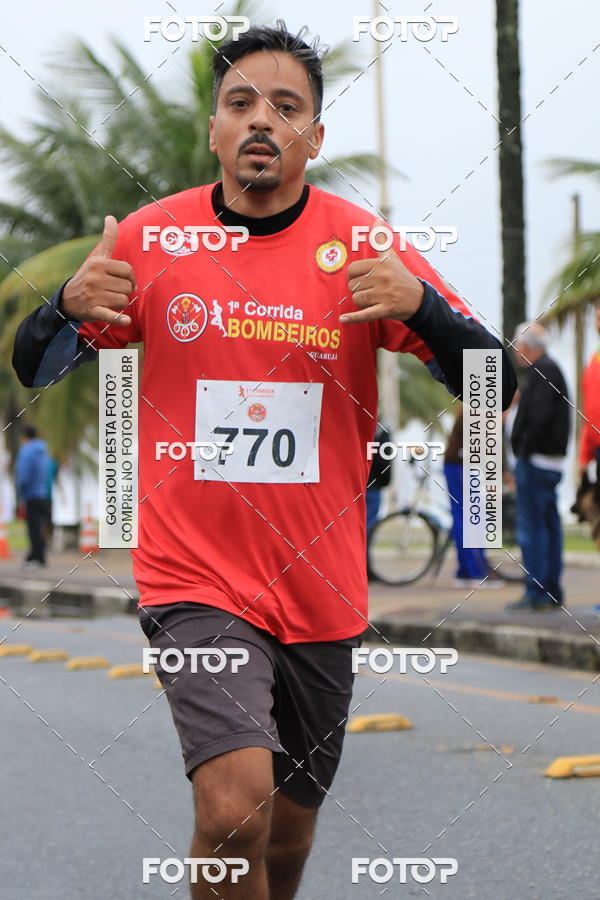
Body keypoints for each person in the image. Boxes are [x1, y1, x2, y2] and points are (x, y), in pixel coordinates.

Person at [12, 23, 517, 899]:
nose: (260, 120)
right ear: (213, 128)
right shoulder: (153, 240)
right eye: (240, 102)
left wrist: (424, 309)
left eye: (286, 107)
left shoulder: (362, 247)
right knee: (233, 811)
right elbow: (34, 365)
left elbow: (493, 384)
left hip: (320, 589)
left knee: (285, 838)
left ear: (314, 138)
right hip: (194, 579)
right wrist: (62, 304)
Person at [508, 323, 570, 611]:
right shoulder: (548, 369)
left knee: (533, 529)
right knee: (548, 527)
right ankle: (551, 590)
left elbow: (538, 416)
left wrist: (522, 450)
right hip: (547, 461)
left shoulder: (542, 370)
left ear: (525, 346)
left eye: (516, 345)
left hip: (536, 462)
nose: (515, 351)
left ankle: (538, 592)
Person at [443, 409, 501, 587]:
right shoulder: (478, 410)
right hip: (463, 466)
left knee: (466, 518)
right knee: (470, 520)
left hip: (459, 464)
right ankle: (474, 572)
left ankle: (467, 571)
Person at [14, 425, 51, 567]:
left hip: (31, 495)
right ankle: (33, 556)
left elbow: (23, 476)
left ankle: (38, 559)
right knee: (40, 527)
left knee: (33, 529)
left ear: (24, 437)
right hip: (44, 494)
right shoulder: (43, 451)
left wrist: (20, 494)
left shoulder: (26, 451)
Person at [366, 421, 392, 535]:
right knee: (369, 526)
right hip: (374, 486)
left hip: (356, 486)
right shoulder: (381, 431)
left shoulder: (353, 426)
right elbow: (384, 461)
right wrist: (385, 481)